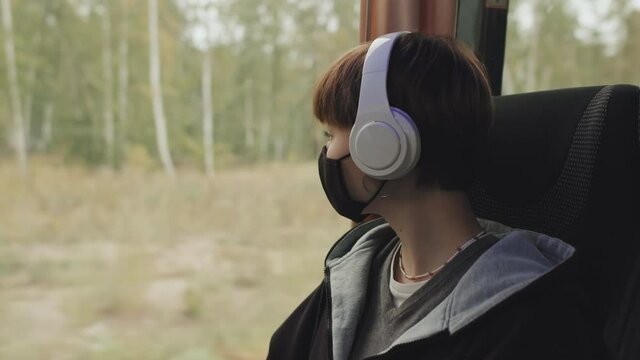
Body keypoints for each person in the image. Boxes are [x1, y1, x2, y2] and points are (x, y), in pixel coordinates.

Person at [267, 32, 608, 360]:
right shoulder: (356, 270)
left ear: (385, 144)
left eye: (331, 134)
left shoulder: (535, 319)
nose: (326, 152)